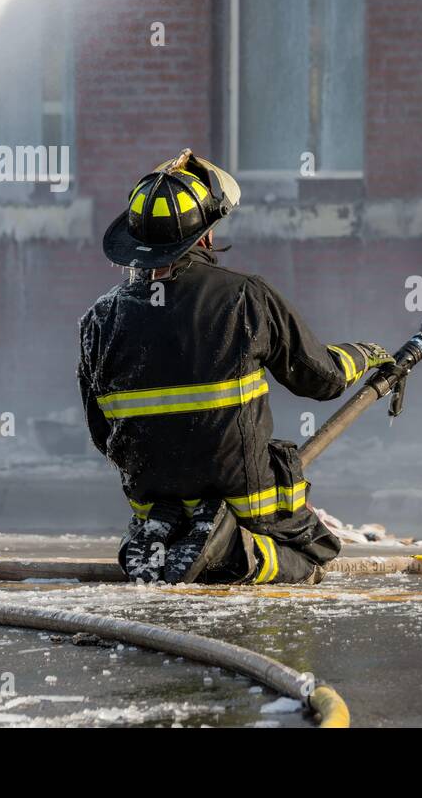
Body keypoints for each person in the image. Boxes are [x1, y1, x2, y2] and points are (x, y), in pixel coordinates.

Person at [77, 149, 393, 584]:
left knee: (181, 534)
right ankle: (228, 548)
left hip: (152, 494)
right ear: (204, 234)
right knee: (315, 554)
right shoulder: (244, 296)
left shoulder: (99, 317)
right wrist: (366, 353)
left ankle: (164, 527)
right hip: (244, 493)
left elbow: (101, 432)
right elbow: (322, 379)